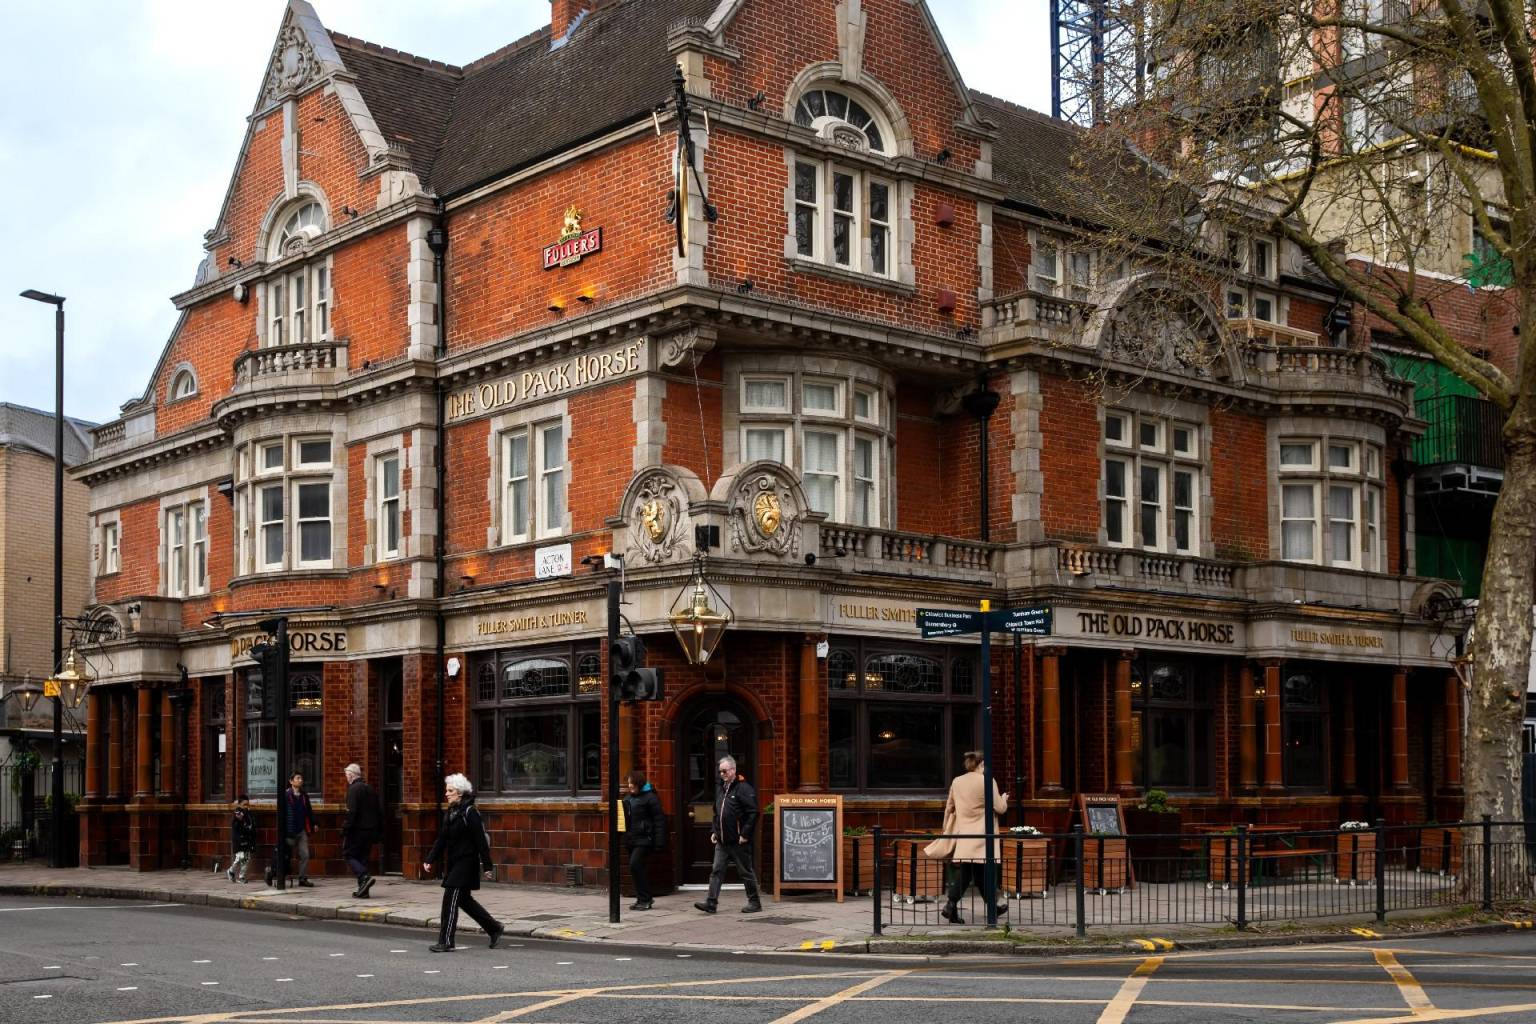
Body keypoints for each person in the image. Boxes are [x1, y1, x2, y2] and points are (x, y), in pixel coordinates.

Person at [924, 750, 1009, 924]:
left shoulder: (957, 781)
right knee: (973, 872)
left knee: (973, 872)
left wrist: (945, 829)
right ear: (982, 764)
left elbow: (949, 808)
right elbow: (1000, 808)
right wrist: (1004, 798)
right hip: (983, 837)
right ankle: (952, 904)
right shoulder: (987, 781)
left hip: (964, 835)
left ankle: (963, 908)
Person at [424, 773, 504, 952]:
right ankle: (494, 928)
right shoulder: (451, 812)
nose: (446, 794)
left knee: (450, 898)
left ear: (460, 793)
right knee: (464, 901)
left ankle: (446, 941)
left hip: (467, 863)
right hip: (454, 863)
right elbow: (442, 839)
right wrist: (430, 859)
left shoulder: (470, 812)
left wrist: (487, 866)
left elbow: (480, 841)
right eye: (447, 790)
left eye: (450, 791)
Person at [693, 755, 762, 914]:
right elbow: (717, 813)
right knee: (716, 871)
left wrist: (745, 834)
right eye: (720, 771)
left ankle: (755, 902)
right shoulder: (722, 788)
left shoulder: (744, 788)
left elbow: (753, 812)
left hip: (738, 841)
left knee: (745, 872)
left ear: (733, 770)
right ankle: (711, 903)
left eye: (724, 771)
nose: (722, 774)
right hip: (722, 841)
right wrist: (714, 831)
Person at [622, 769, 665, 910]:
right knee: (636, 869)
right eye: (628, 783)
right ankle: (641, 899)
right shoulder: (628, 798)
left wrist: (659, 842)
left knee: (635, 865)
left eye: (632, 783)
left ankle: (646, 899)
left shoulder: (651, 798)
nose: (629, 786)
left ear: (638, 783)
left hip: (645, 839)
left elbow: (659, 820)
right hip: (632, 840)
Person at [265, 771, 316, 888]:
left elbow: (309, 811)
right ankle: (271, 872)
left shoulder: (304, 796)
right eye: (297, 778)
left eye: (301, 778)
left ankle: (302, 878)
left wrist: (314, 823)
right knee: (284, 856)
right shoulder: (286, 796)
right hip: (289, 831)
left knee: (305, 855)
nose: (300, 780)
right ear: (291, 781)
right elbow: (281, 814)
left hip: (301, 830)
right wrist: (282, 831)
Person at [342, 763, 383, 898]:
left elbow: (351, 812)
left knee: (349, 854)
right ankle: (363, 891)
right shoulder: (370, 788)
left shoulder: (353, 789)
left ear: (351, 775)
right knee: (363, 858)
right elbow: (378, 811)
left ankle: (364, 876)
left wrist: (345, 828)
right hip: (370, 830)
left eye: (346, 775)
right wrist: (379, 831)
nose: (346, 778)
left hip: (357, 830)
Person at [226, 794, 255, 883]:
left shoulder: (248, 813)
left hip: (247, 839)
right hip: (239, 840)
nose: (246, 806)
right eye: (244, 804)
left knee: (246, 859)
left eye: (247, 804)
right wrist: (239, 819)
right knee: (240, 857)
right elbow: (236, 827)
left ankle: (241, 876)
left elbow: (251, 825)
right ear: (240, 804)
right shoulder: (238, 814)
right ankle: (232, 871)